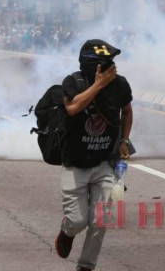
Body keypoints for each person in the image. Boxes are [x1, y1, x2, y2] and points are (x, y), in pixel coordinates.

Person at [55, 39, 134, 271]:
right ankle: (68, 230)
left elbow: (127, 111)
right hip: (75, 164)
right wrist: (98, 85)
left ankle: (86, 266)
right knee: (78, 221)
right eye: (106, 63)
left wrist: (123, 141)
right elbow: (72, 108)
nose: (112, 67)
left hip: (105, 164)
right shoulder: (74, 82)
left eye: (113, 61)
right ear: (93, 66)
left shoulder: (120, 85)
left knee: (100, 222)